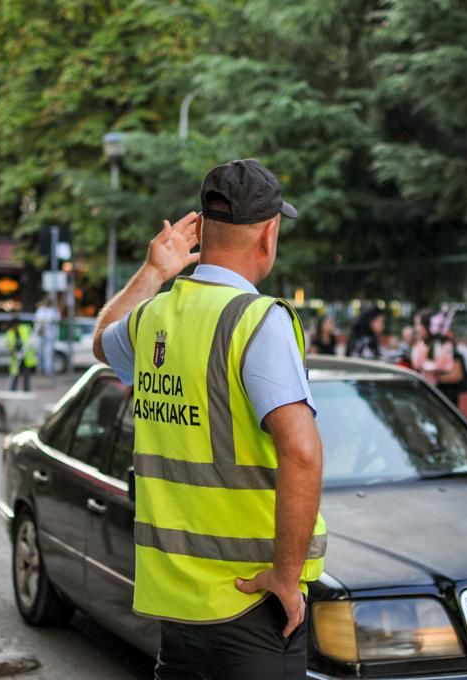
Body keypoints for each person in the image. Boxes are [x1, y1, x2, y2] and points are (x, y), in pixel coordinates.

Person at [93, 159, 326, 680]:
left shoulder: (153, 317)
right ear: (269, 234)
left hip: (176, 605)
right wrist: (287, 578)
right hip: (249, 607)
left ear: (201, 226)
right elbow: (302, 452)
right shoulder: (257, 321)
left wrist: (154, 271)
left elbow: (100, 341)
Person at [412, 307, 466, 406]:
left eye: (419, 324)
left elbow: (457, 375)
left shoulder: (445, 345)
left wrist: (434, 376)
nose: (417, 328)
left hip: (445, 399)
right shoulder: (421, 346)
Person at [5, 315, 37, 391]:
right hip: (16, 359)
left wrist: (32, 341)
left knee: (26, 376)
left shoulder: (24, 328)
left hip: (26, 358)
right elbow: (9, 346)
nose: (15, 327)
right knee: (14, 376)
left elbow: (35, 332)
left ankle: (26, 391)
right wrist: (15, 353)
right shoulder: (9, 334)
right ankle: (12, 391)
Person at [33, 298, 60, 375]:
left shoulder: (53, 311)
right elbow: (36, 321)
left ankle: (48, 370)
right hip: (40, 334)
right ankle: (39, 369)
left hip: (49, 335)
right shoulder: (40, 310)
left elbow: (56, 320)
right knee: (39, 353)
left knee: (48, 353)